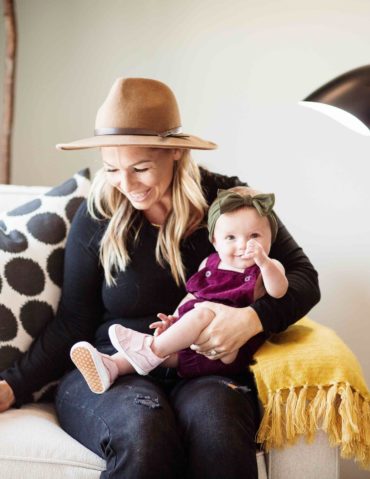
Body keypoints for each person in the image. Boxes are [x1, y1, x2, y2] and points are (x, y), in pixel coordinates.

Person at [0, 77, 320, 479]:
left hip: (206, 370)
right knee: (143, 430)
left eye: (140, 168)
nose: (126, 184)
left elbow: (304, 277)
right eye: (112, 168)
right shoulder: (99, 213)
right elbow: (73, 321)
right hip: (113, 367)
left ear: (176, 154)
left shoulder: (230, 204)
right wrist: (11, 385)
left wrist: (252, 319)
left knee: (217, 430)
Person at [70, 186, 289, 393]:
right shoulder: (209, 263)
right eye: (231, 237)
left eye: (254, 236)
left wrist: (264, 262)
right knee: (166, 345)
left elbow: (279, 291)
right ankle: (111, 366)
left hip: (226, 347)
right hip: (193, 340)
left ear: (271, 237)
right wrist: (174, 320)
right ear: (214, 240)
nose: (243, 245)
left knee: (199, 315)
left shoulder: (267, 268)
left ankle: (148, 350)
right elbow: (192, 295)